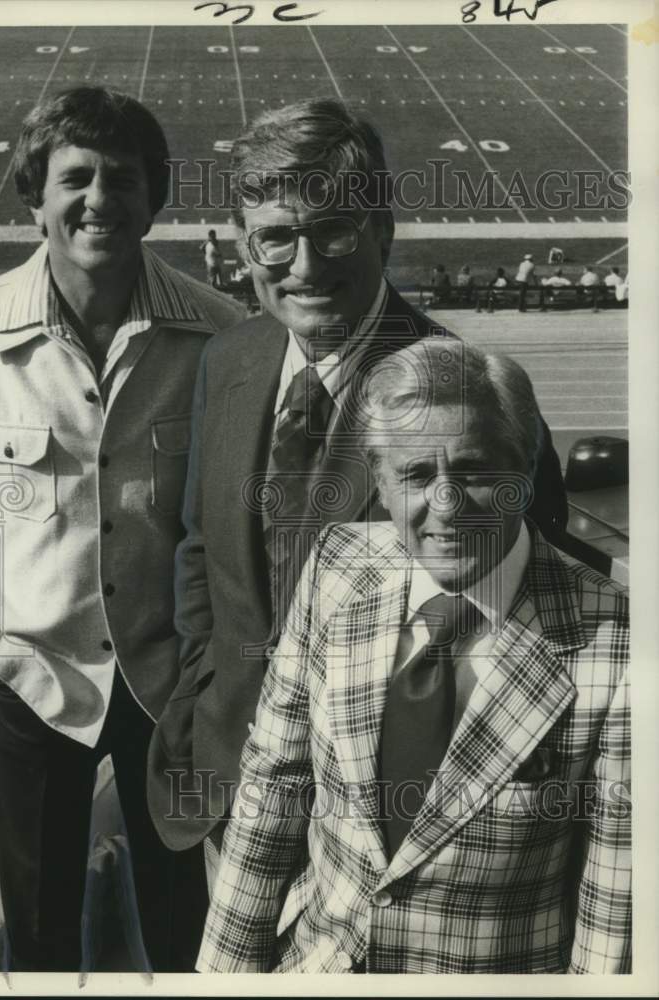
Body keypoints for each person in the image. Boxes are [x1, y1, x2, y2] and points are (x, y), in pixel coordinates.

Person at [147, 99, 569, 879]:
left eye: (332, 229)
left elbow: (531, 624)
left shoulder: (467, 392)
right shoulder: (231, 360)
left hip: (390, 821)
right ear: (245, 247)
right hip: (230, 783)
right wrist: (201, 693)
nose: (304, 267)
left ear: (382, 231)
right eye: (276, 237)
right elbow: (201, 551)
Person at [0, 86, 243, 972]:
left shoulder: (222, 335)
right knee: (40, 926)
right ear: (34, 193)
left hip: (170, 682)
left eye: (123, 179)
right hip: (31, 675)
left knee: (190, 924)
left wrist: (213, 666)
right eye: (77, 178)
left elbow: (239, 523)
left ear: (154, 197)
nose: (100, 199)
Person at [197, 338, 631, 974]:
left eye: (476, 473)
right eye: (417, 476)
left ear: (527, 472)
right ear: (379, 480)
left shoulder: (617, 642)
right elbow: (273, 788)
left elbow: (612, 914)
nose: (447, 507)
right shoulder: (337, 566)